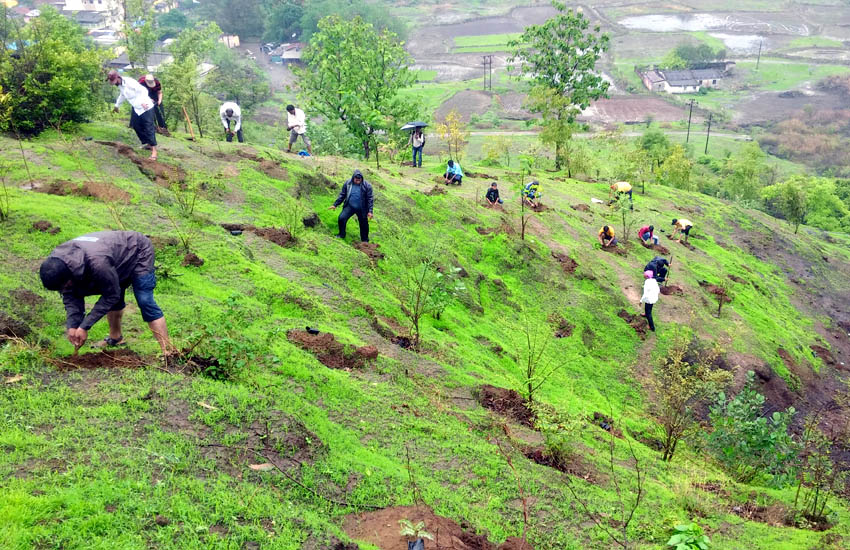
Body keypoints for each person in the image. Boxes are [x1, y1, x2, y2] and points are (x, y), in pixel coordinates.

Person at [39, 231, 172, 354]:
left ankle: (168, 351)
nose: (64, 290)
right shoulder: (56, 263)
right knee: (112, 290)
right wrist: (73, 326)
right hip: (114, 257)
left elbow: (111, 295)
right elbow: (71, 295)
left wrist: (85, 326)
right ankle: (116, 338)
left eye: (64, 286)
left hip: (138, 250)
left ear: (69, 277)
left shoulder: (97, 263)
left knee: (144, 300)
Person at [107, 69, 157, 161]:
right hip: (137, 107)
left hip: (146, 106)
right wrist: (116, 106)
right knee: (136, 125)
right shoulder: (120, 85)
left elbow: (143, 91)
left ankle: (154, 151)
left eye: (114, 81)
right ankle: (148, 143)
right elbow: (122, 95)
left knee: (148, 127)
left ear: (118, 77)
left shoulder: (130, 82)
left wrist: (143, 101)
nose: (114, 83)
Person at [330, 169, 374, 242]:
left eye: (359, 180)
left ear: (361, 179)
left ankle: (365, 240)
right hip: (350, 206)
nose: (357, 181)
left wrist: (370, 211)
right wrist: (335, 204)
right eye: (356, 179)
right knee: (341, 218)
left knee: (364, 225)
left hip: (362, 208)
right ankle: (341, 234)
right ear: (353, 178)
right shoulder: (348, 183)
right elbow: (342, 195)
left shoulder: (367, 186)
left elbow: (370, 199)